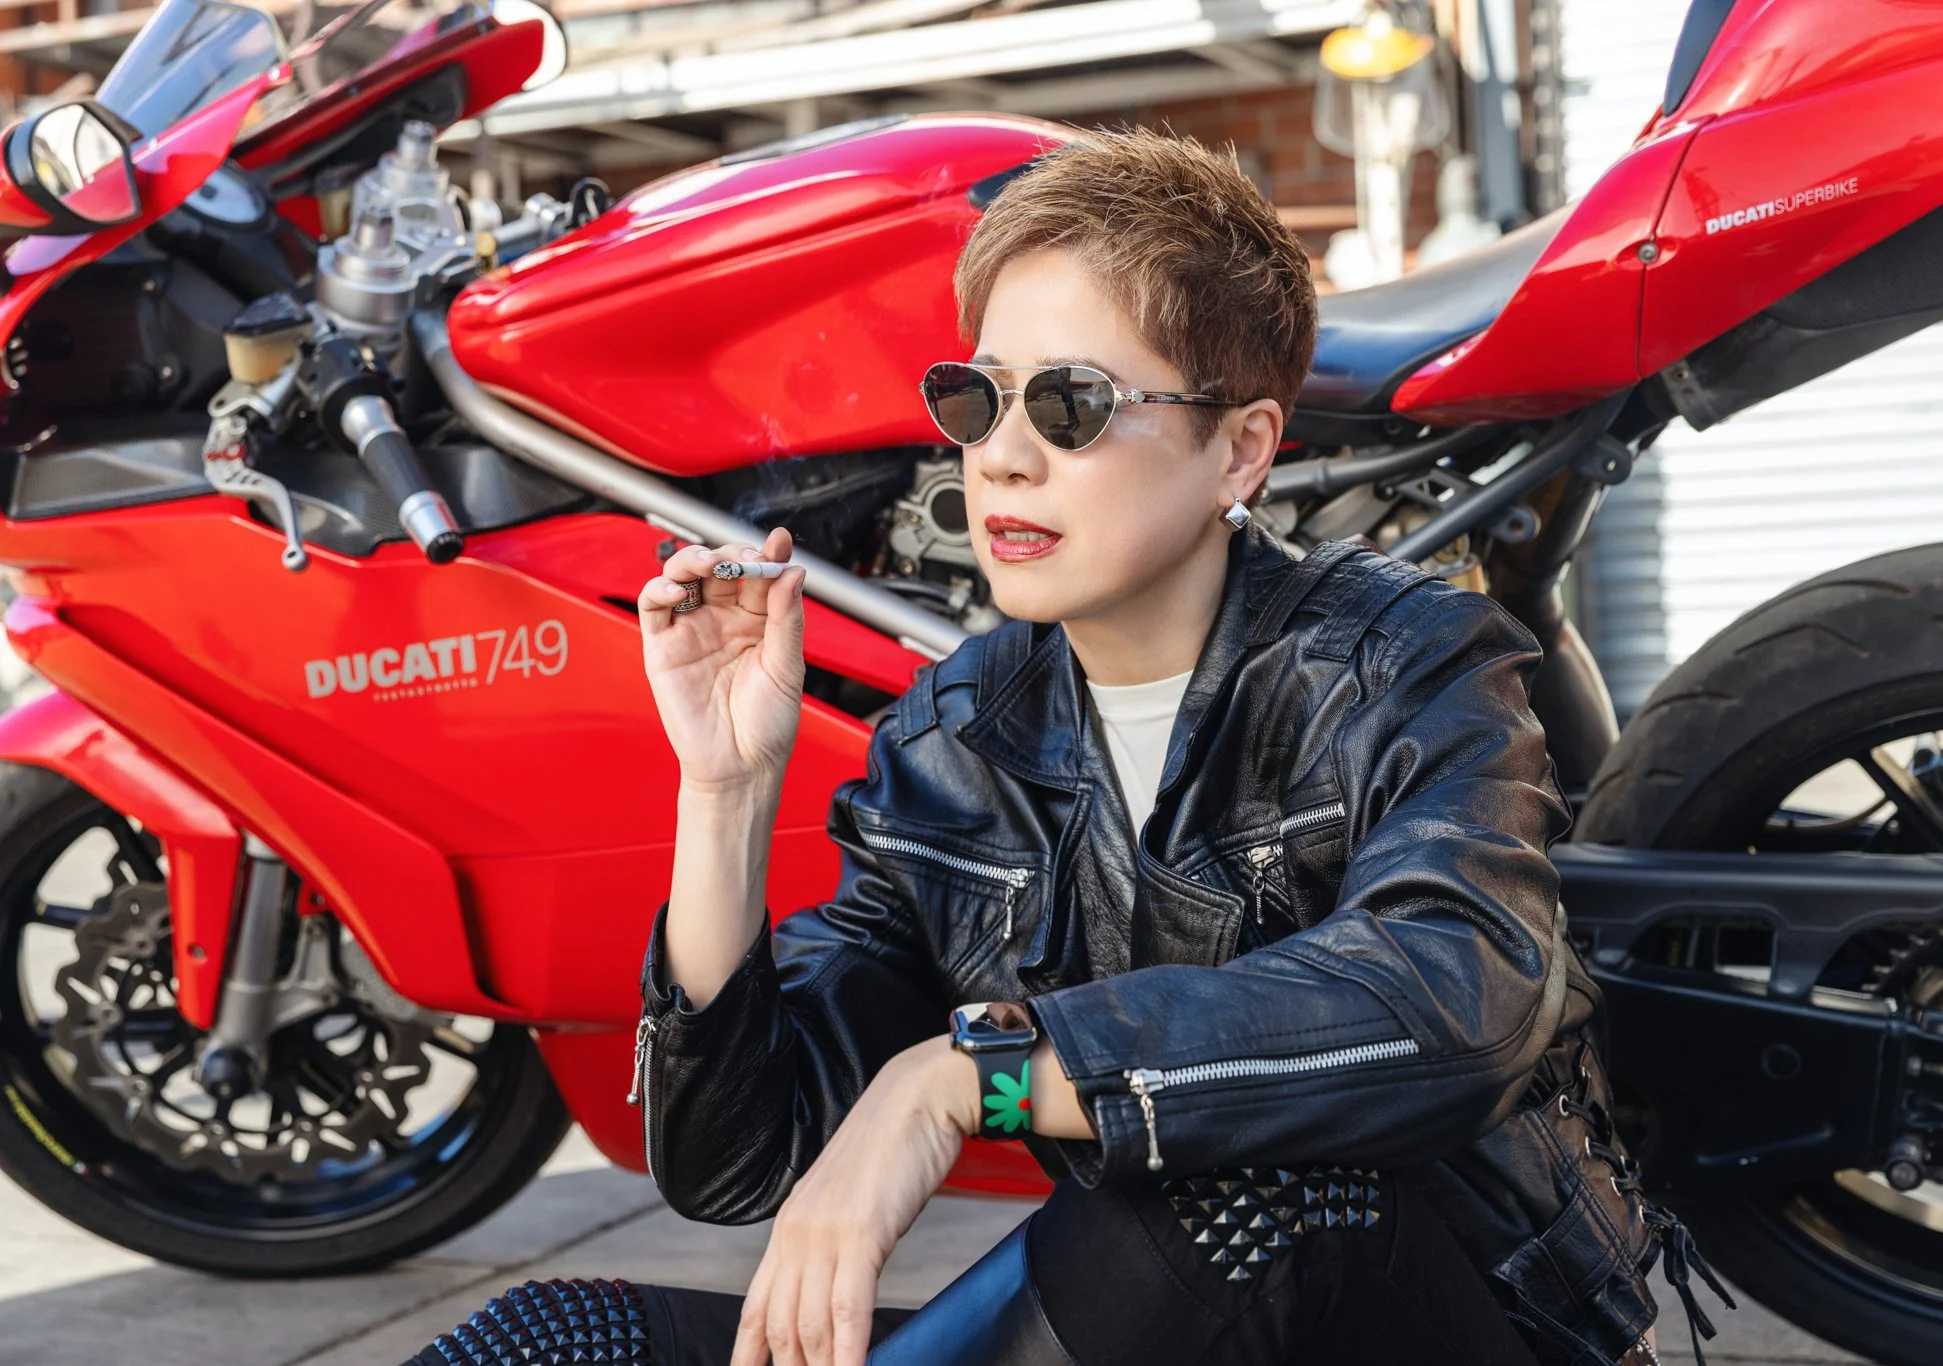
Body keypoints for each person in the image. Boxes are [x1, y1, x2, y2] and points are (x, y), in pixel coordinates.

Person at [407, 128, 1704, 1366]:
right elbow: (737, 1158)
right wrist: (726, 791)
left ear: (1240, 449)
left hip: (1454, 1314)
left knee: (1229, 1179)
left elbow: (1452, 995)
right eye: (978, 398)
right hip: (1164, 1317)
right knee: (552, 1336)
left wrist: (968, 1079)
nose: (1004, 457)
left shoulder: (1411, 658)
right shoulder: (960, 743)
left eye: (1073, 404)